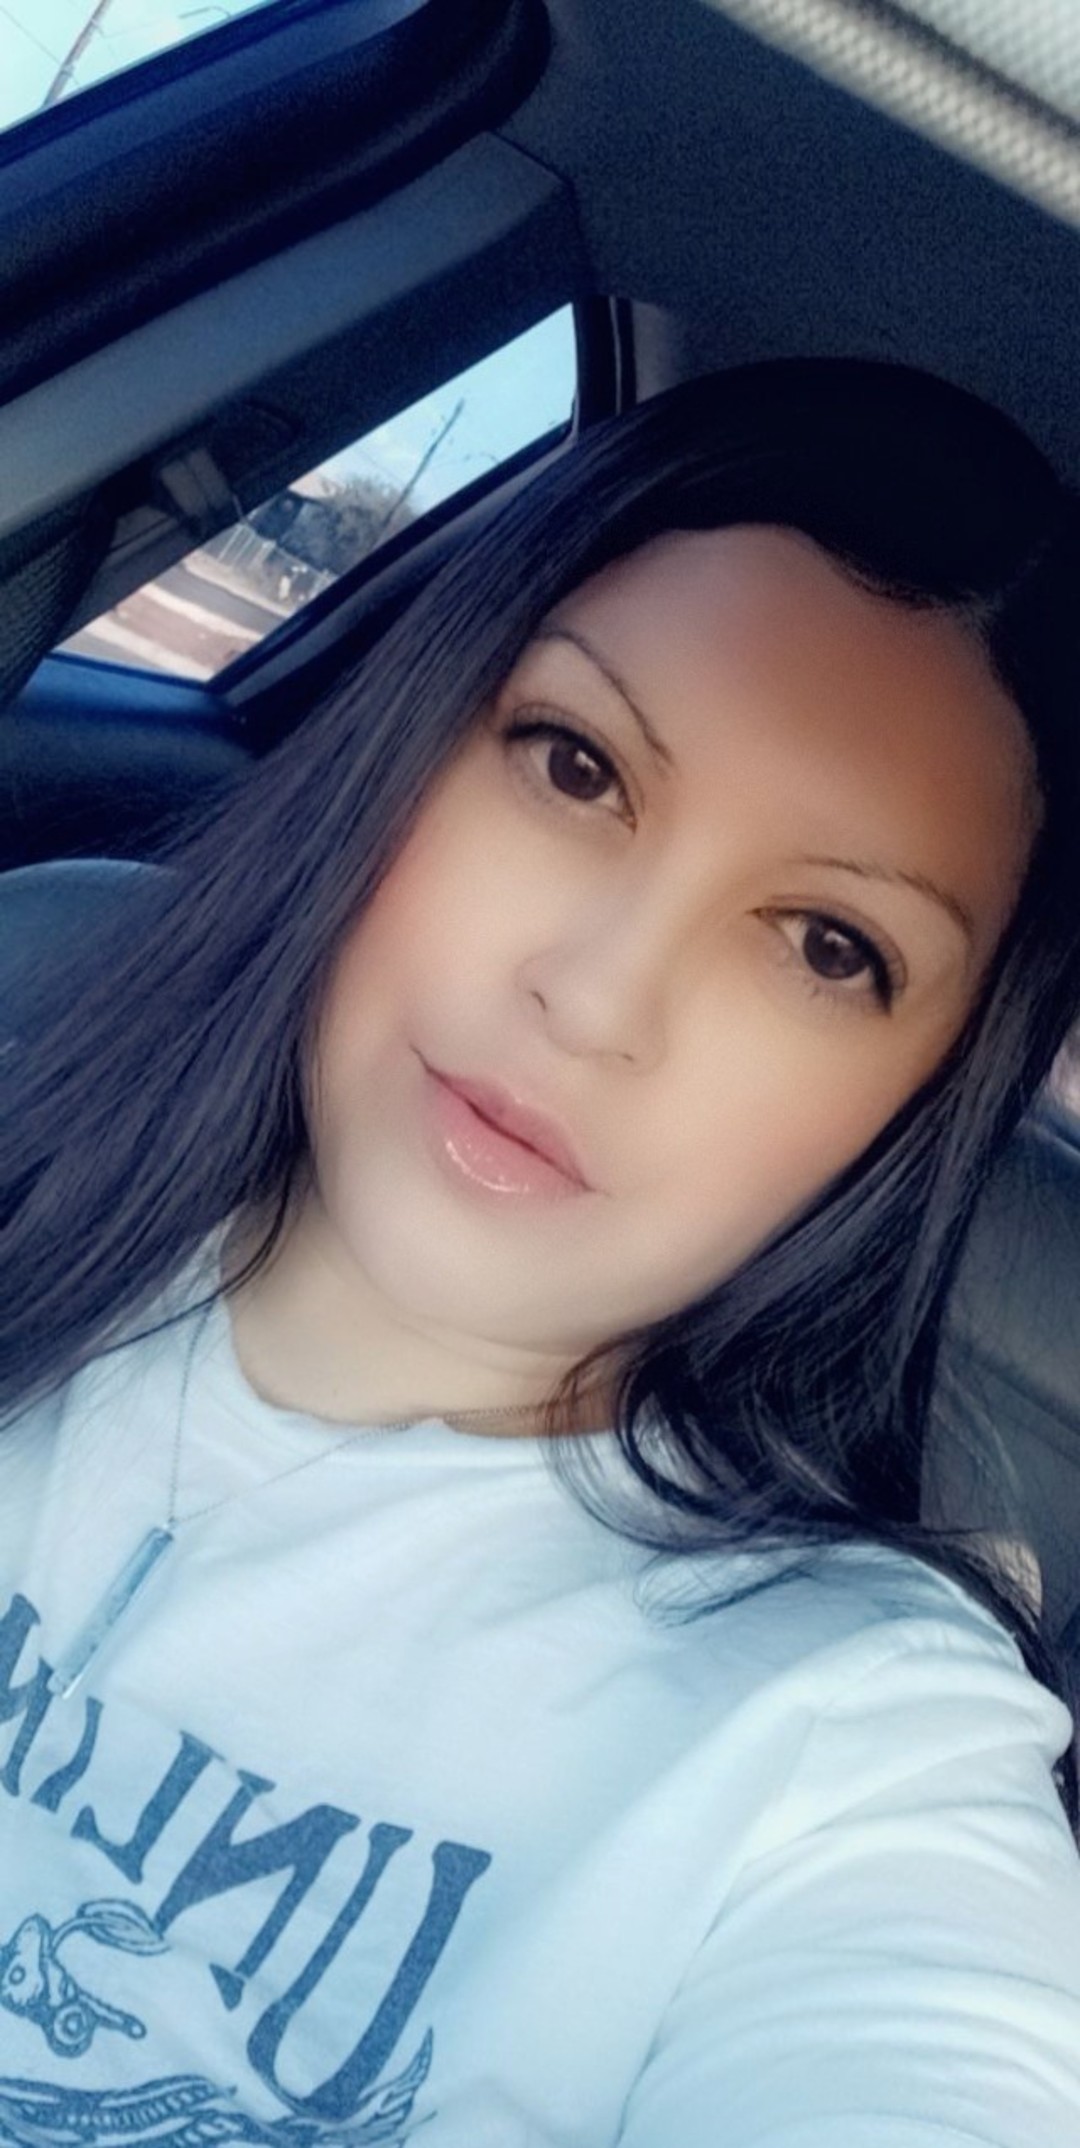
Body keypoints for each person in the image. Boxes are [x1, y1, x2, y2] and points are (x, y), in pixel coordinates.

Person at [2, 357, 1080, 2140]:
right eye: (575, 766)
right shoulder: (29, 1097)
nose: (595, 997)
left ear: (914, 1102)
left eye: (827, 947)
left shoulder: (843, 1745)